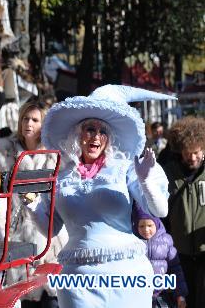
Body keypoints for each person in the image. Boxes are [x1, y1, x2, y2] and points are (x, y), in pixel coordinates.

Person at [25, 85, 173, 307]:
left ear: (109, 138)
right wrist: (32, 202)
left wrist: (146, 181)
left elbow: (160, 211)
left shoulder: (125, 168)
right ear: (77, 134)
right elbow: (51, 228)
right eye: (90, 129)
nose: (96, 136)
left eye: (103, 131)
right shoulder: (61, 176)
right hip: (76, 279)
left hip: (126, 273)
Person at [0, 99, 68, 307]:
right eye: (25, 119)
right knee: (19, 294)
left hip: (48, 231)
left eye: (35, 120)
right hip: (13, 230)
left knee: (51, 299)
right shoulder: (4, 152)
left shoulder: (55, 155)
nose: (28, 124)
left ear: (44, 124)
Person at [163, 116, 205, 308]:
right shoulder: (168, 173)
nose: (192, 158)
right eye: (188, 153)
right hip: (178, 255)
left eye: (196, 152)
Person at [131, 204, 188, 308]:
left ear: (156, 224)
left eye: (149, 225)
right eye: (141, 226)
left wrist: (180, 295)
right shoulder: (132, 242)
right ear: (136, 226)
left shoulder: (165, 241)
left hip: (161, 295)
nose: (146, 230)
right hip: (139, 295)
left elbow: (175, 269)